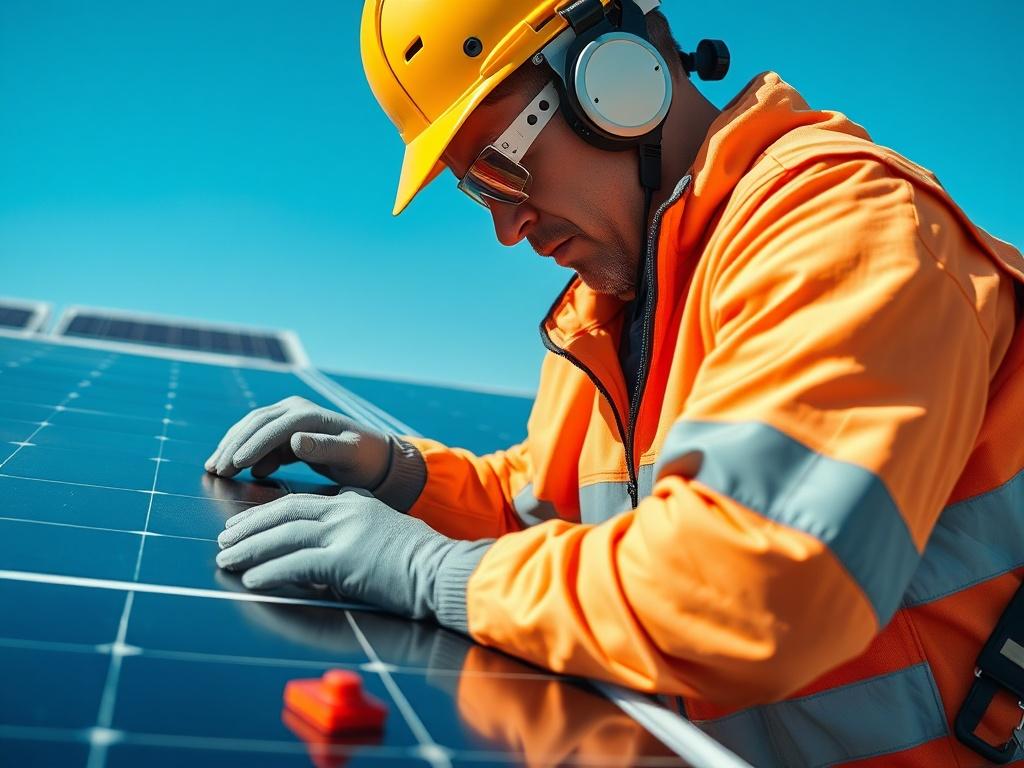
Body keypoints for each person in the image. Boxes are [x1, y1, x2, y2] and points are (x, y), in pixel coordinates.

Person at [205, 1, 1024, 764]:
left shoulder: (846, 234)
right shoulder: (612, 312)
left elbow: (745, 589)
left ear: (613, 78)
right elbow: (540, 507)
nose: (506, 225)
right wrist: (399, 473)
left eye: (503, 164)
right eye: (477, 188)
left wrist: (432, 576)